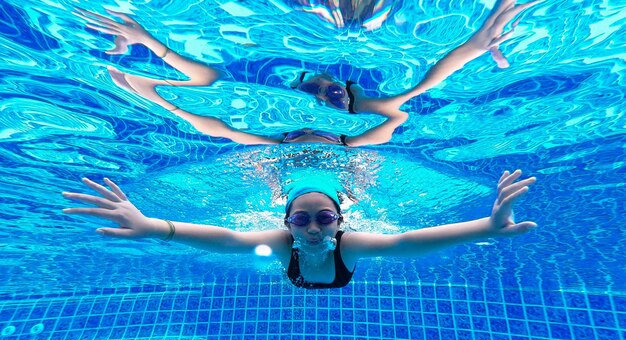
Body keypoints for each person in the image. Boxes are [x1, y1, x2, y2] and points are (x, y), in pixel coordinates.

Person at [61, 170, 537, 289]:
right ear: (287, 222)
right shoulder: (282, 239)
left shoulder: (349, 245)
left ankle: (351, 186)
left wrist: (488, 226)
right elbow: (228, 240)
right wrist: (152, 226)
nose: (312, 228)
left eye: (325, 218)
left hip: (329, 269)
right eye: (301, 219)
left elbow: (404, 243)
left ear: (340, 220)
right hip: (293, 271)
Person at [74, 7, 408, 147]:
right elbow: (398, 114)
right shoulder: (357, 140)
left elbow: (215, 122)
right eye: (312, 90)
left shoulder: (275, 141)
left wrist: (152, 75)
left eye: (329, 93)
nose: (319, 99)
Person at [291, 0, 542, 116]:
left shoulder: (308, 17)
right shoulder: (361, 99)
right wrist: (476, 45)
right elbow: (422, 87)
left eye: (311, 87)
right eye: (334, 97)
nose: (323, 93)